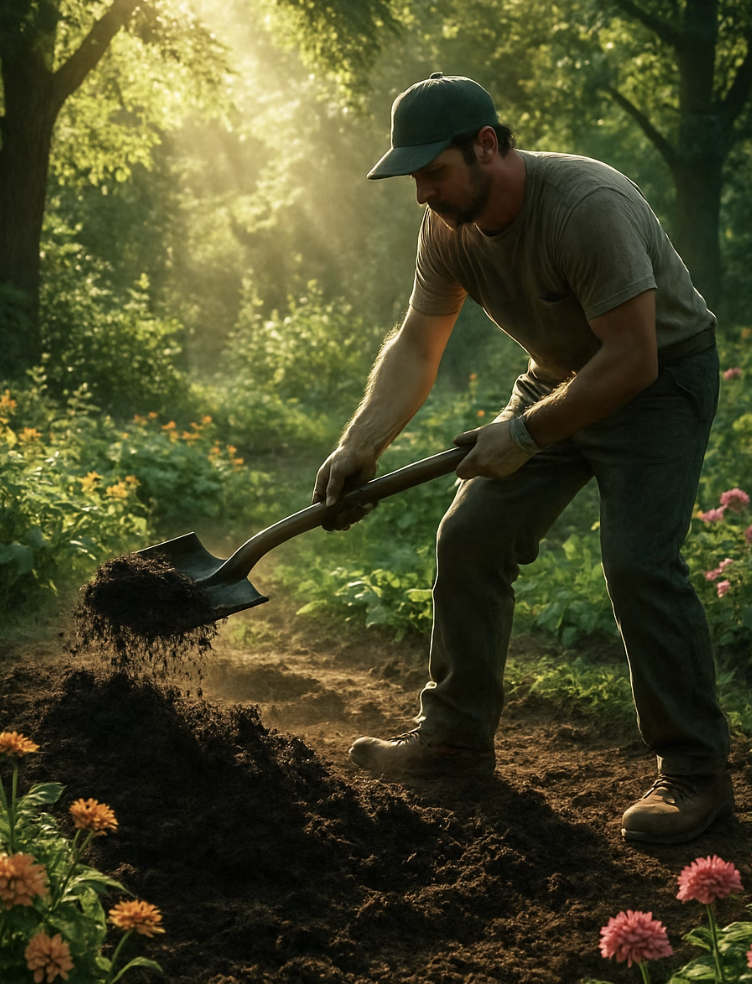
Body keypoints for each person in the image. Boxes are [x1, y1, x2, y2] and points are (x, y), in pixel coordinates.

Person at [312, 73, 733, 845]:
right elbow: (418, 341)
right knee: (469, 536)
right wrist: (361, 441)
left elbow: (633, 358)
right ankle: (454, 739)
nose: (422, 195)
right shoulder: (446, 225)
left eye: (433, 173)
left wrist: (527, 435)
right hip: (558, 376)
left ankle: (697, 773)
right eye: (414, 178)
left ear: (487, 146)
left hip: (660, 378)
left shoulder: (584, 207)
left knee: (639, 563)